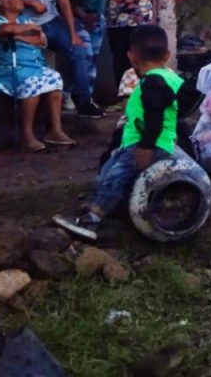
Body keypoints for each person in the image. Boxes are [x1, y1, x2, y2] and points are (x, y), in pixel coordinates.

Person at [52, 24, 202, 242]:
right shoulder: (171, 79)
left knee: (116, 176)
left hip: (144, 144)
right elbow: (182, 108)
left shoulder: (153, 82)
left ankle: (91, 221)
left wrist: (146, 147)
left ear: (131, 57)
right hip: (140, 141)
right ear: (167, 54)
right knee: (111, 169)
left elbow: (155, 117)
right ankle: (99, 203)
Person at [0, 0, 103, 118]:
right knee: (30, 60)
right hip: (25, 22)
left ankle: (83, 101)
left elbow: (64, 2)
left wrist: (72, 34)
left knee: (79, 50)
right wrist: (30, 2)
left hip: (51, 21)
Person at [0, 0, 77, 151]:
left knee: (55, 78)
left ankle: (55, 130)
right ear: (1, 2)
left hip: (32, 66)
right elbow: (5, 30)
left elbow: (41, 40)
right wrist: (22, 32)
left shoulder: (25, 20)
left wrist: (18, 36)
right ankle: (27, 135)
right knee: (32, 83)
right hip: (4, 69)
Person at [61, 0, 107, 110]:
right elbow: (67, 0)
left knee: (92, 60)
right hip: (76, 20)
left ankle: (88, 97)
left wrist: (96, 15)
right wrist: (83, 16)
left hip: (96, 21)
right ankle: (68, 94)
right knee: (82, 57)